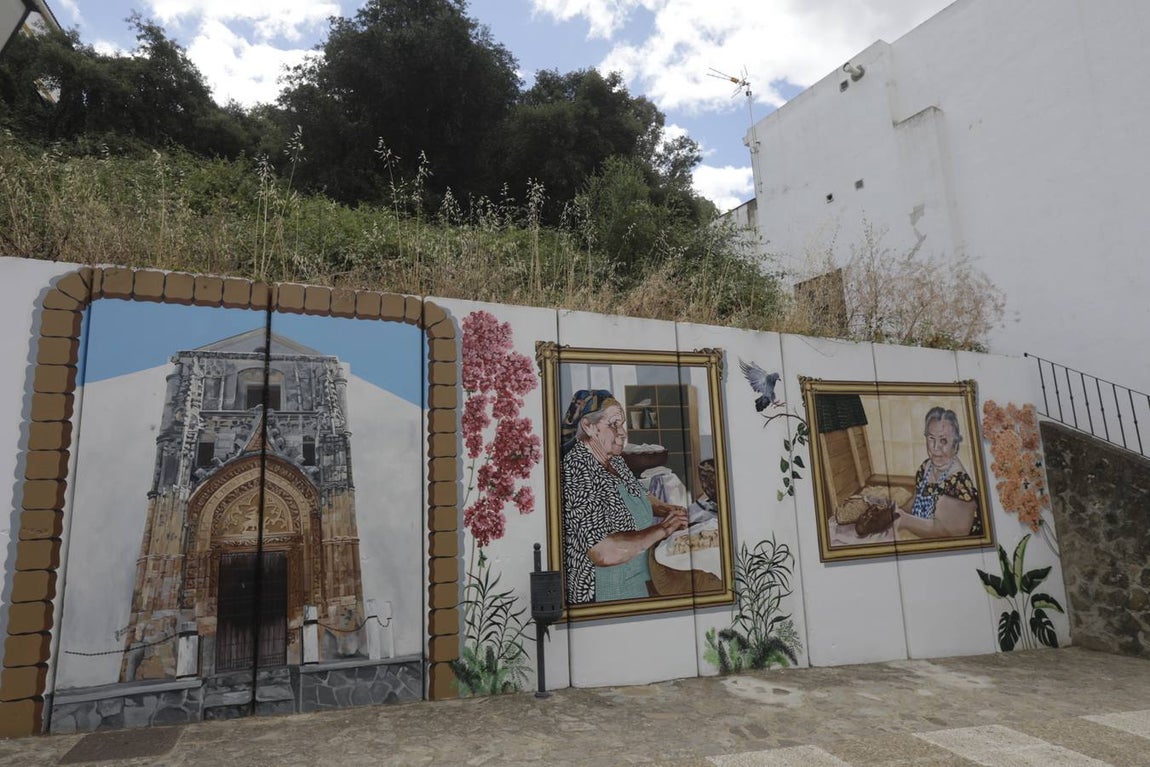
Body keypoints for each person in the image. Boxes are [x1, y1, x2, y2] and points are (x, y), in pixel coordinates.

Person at [560, 389, 688, 604]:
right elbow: (602, 551)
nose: (622, 433)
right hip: (605, 589)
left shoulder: (614, 459)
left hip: (636, 578)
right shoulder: (577, 469)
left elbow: (637, 493)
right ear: (588, 426)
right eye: (613, 424)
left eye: (622, 424)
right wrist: (663, 529)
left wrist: (666, 509)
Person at [894, 406, 981, 538]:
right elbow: (915, 502)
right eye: (931, 438)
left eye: (943, 440)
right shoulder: (925, 468)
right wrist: (896, 512)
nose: (935, 448)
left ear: (955, 444)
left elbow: (945, 532)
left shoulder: (958, 483)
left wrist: (905, 521)